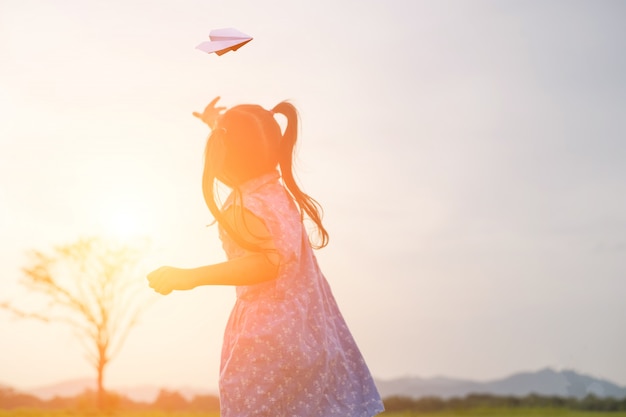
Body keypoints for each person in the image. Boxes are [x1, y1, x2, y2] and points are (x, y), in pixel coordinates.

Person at [147, 97, 384, 417]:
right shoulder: (274, 191)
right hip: (310, 334)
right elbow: (248, 143)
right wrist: (216, 122)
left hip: (267, 341)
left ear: (225, 157)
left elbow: (266, 263)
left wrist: (191, 277)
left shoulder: (242, 206)